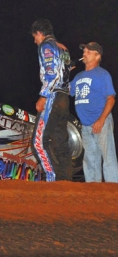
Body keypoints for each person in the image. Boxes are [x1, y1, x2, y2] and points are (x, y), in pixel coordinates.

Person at [30, 19, 72, 182]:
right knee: (61, 141)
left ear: (40, 33)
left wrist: (43, 96)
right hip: (64, 99)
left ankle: (52, 179)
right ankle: (65, 180)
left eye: (35, 36)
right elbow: (66, 74)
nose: (35, 41)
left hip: (53, 97)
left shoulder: (46, 46)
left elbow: (51, 73)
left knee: (38, 143)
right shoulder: (64, 49)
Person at [70, 42, 118, 182]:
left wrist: (101, 120)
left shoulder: (102, 74)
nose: (84, 53)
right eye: (84, 51)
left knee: (107, 156)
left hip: (101, 121)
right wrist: (65, 72)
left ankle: (113, 191)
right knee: (90, 158)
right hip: (85, 125)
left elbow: (111, 99)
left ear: (97, 55)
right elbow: (66, 91)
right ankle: (93, 191)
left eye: (88, 51)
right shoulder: (78, 76)